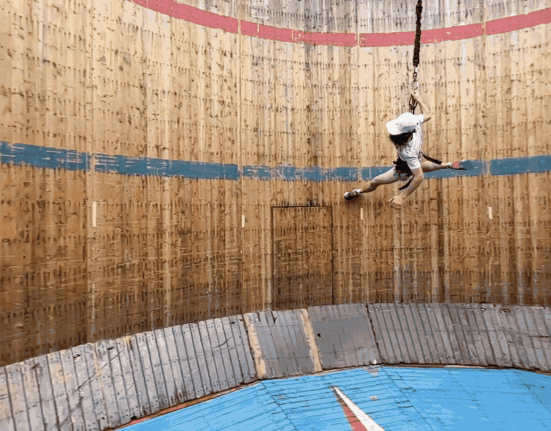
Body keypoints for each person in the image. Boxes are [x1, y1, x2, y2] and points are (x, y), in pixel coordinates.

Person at [344, 90, 467, 207]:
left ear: (403, 136)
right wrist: (418, 99)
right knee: (419, 165)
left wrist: (402, 196)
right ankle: (449, 165)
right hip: (416, 156)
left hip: (402, 168)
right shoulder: (415, 123)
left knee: (375, 182)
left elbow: (419, 176)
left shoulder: (407, 151)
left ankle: (358, 191)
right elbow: (428, 115)